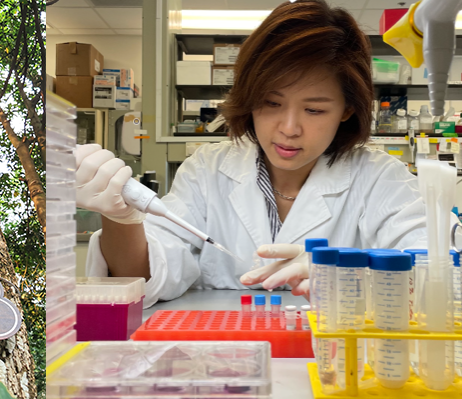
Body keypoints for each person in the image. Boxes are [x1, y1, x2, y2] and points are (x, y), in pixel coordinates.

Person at [75, 0, 430, 308]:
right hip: (225, 361)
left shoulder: (381, 178)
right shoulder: (207, 171)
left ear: (348, 109)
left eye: (315, 110)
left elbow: (438, 269)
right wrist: (122, 219)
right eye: (271, 103)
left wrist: (351, 275)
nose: (289, 128)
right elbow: (148, 275)